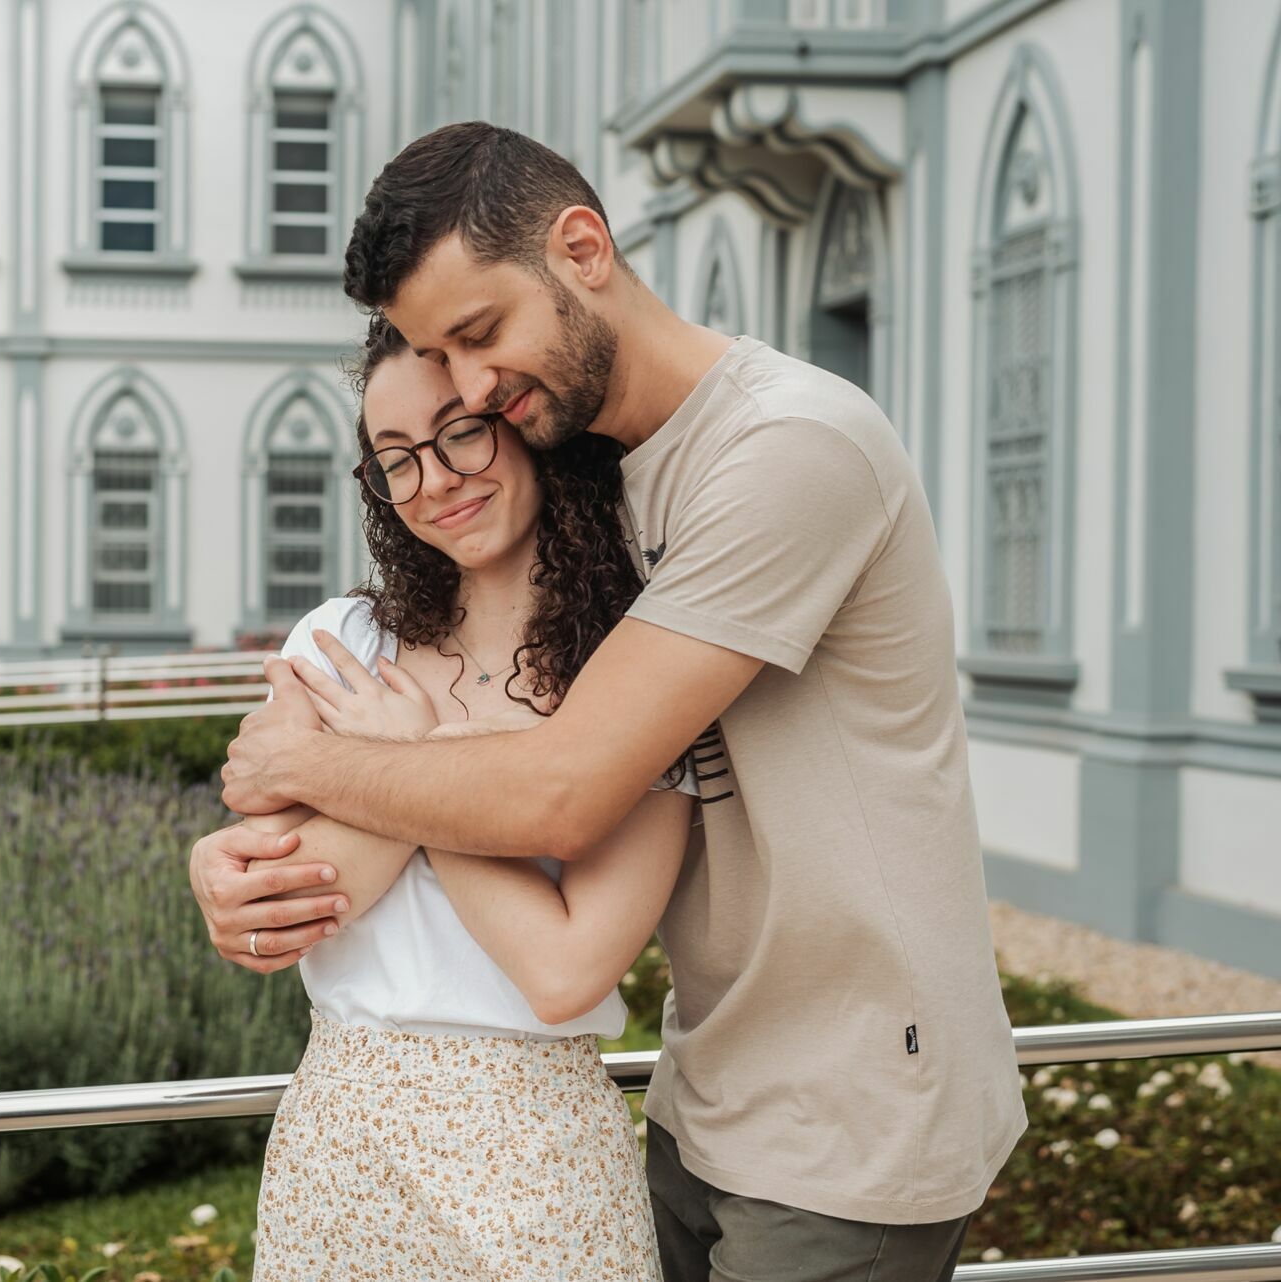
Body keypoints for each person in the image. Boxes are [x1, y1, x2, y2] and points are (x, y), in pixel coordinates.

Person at [192, 121, 1025, 1282]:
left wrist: (306, 762)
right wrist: (225, 861)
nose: (476, 390)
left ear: (584, 248)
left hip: (856, 1103)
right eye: (442, 365)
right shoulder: (601, 488)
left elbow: (561, 790)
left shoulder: (790, 447)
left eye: (480, 338)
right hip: (710, 1089)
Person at [243, 316, 690, 1280]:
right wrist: (477, 775)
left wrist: (406, 752)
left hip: (539, 1163)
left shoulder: (639, 669)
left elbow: (566, 968)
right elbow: (301, 901)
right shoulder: (339, 643)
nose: (435, 480)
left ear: (527, 422)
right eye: (395, 458)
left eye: (460, 432)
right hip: (340, 1149)